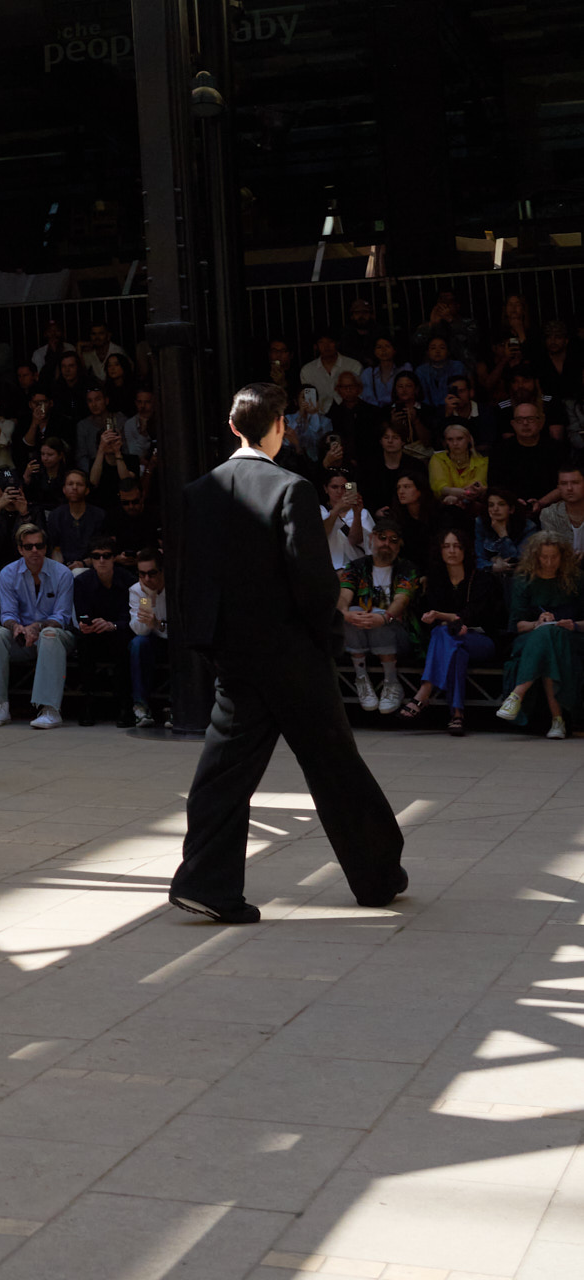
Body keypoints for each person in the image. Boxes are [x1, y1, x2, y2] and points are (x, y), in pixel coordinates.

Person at [173, 383, 407, 925]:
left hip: (233, 654)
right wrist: (322, 635)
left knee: (223, 771)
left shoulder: (199, 491)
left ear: (234, 427)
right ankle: (376, 876)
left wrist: (208, 645)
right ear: (280, 425)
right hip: (291, 655)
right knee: (334, 765)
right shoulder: (292, 488)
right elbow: (311, 576)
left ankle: (207, 883)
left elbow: (191, 578)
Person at [402, 527, 503, 735]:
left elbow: (475, 615)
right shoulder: (435, 582)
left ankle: (424, 691)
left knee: (443, 633)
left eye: (457, 546)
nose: (452, 551)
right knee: (454, 651)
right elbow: (429, 619)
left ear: (466, 550)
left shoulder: (482, 579)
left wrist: (442, 615)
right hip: (452, 640)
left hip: (481, 639)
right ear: (439, 551)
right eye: (446, 546)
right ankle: (457, 715)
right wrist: (441, 618)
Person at [0, 522, 77, 729]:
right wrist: (16, 627)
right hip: (22, 636)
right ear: (20, 549)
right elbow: (7, 613)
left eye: (39, 546)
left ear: (45, 547)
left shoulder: (63, 574)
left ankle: (50, 708)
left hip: (57, 637)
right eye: (29, 546)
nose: (35, 551)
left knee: (50, 634)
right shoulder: (7, 573)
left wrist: (37, 627)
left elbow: (62, 616)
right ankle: (0, 706)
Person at [496, 533, 581, 737]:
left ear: (563, 557)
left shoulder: (577, 579)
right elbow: (517, 625)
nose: (549, 562)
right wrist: (537, 623)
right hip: (530, 638)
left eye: (554, 557)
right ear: (535, 557)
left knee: (551, 637)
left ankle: (517, 695)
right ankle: (557, 720)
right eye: (544, 557)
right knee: (546, 635)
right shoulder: (524, 580)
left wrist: (573, 624)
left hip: (571, 637)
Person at [337, 518, 419, 715]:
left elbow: (401, 599)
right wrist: (345, 613)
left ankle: (391, 683)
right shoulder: (357, 566)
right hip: (363, 631)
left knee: (379, 614)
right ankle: (361, 678)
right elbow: (344, 595)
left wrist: (385, 617)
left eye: (393, 540)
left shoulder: (406, 568)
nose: (386, 544)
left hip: (397, 633)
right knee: (352, 613)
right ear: (372, 540)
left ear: (399, 545)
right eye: (382, 538)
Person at [71, 538, 130, 725]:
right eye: (96, 556)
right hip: (93, 634)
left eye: (106, 556)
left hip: (119, 632)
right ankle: (87, 703)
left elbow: (139, 611)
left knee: (126, 645)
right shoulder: (81, 582)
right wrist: (86, 624)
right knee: (84, 643)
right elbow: (81, 613)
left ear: (114, 558)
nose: (102, 560)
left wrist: (113, 625)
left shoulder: (130, 580)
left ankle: (125, 707)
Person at [489, 399, 567, 515]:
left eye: (530, 419)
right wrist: (514, 502)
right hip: (510, 510)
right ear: (513, 424)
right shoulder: (500, 450)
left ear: (541, 422)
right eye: (520, 420)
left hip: (551, 508)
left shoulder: (556, 449)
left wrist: (541, 503)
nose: (525, 423)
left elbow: (566, 484)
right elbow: (495, 486)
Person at [129, 548, 168, 726]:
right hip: (152, 641)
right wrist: (149, 600)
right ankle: (141, 707)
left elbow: (182, 629)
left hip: (174, 641)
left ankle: (177, 706)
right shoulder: (139, 591)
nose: (146, 579)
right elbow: (140, 630)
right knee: (138, 644)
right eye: (142, 574)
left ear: (162, 571)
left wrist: (158, 625)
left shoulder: (174, 588)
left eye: (152, 573)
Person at [46, 465, 107, 567]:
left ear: (87, 490)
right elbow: (55, 548)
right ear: (64, 489)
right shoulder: (56, 515)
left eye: (79, 484)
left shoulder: (99, 515)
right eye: (70, 484)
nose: (74, 487)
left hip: (92, 566)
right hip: (63, 566)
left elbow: (103, 549)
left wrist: (83, 564)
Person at [429, 421, 489, 520]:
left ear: (469, 440)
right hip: (443, 506)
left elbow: (476, 487)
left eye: (460, 439)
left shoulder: (482, 461)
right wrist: (463, 494)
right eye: (450, 439)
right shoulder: (438, 459)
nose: (455, 443)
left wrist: (455, 496)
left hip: (471, 506)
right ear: (445, 442)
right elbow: (439, 487)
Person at [320, 470, 372, 571]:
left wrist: (357, 514)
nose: (339, 491)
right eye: (334, 487)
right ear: (326, 489)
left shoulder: (363, 513)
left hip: (356, 568)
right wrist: (337, 509)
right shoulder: (320, 511)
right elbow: (321, 534)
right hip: (330, 569)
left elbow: (355, 540)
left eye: (344, 487)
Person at [540, 463, 584, 562]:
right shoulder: (549, 514)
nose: (569, 488)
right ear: (559, 487)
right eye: (564, 484)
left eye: (575, 483)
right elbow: (553, 549)